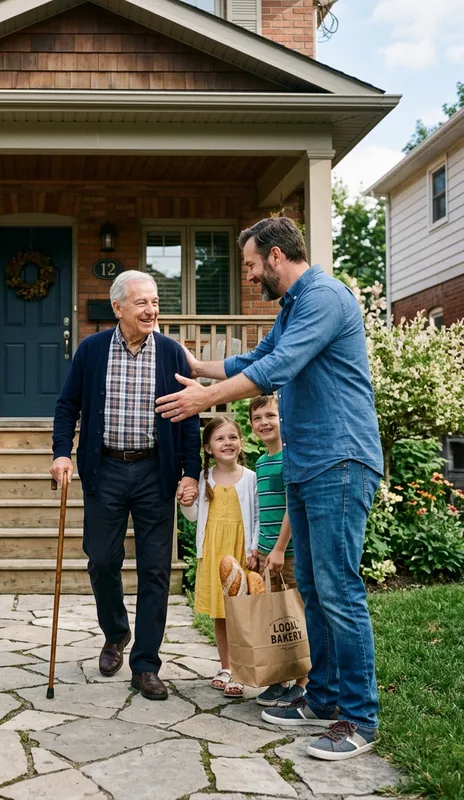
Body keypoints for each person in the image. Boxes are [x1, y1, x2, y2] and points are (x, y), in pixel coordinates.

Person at [156, 217, 383, 760]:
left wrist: (203, 402)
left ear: (277, 256)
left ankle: (359, 717)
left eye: (253, 265)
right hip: (309, 464)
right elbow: (252, 360)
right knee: (312, 586)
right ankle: (323, 697)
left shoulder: (324, 297)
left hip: (340, 459)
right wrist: (197, 368)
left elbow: (275, 369)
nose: (251, 275)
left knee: (338, 589)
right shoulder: (293, 307)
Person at [50, 270, 200, 701]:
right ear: (118, 308)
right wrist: (62, 452)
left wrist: (191, 471)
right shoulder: (92, 350)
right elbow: (67, 406)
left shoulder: (172, 354)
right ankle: (116, 633)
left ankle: (146, 665)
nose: (151, 310)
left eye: (154, 301)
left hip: (156, 471)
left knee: (156, 569)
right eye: (141, 303)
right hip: (106, 469)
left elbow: (188, 417)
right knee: (101, 559)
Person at [179, 416, 258, 698]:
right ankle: (225, 667)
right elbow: (194, 517)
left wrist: (255, 548)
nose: (228, 443)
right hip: (213, 553)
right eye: (220, 439)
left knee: (242, 615)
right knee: (221, 614)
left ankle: (241, 670)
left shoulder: (250, 478)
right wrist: (185, 501)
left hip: (240, 552)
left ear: (241, 442)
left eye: (232, 437)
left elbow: (258, 517)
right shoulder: (203, 478)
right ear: (208, 448)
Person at [248, 393, 308, 707]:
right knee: (275, 618)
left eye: (270, 416)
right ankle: (280, 679)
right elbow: (263, 510)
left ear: (283, 419)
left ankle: (303, 681)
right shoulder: (261, 461)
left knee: (295, 615)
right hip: (267, 553)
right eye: (258, 418)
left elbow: (292, 508)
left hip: (289, 552)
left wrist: (280, 548)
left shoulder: (291, 457)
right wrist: (260, 549)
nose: (264, 423)